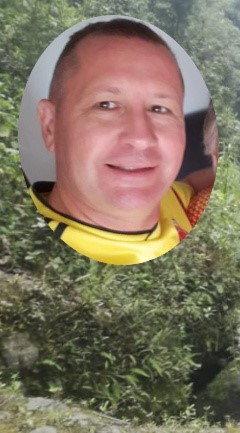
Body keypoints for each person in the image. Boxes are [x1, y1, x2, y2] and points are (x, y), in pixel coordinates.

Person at [30, 18, 193, 265]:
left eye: (159, 108)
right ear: (50, 126)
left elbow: (192, 183)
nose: (140, 138)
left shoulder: (179, 198)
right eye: (106, 105)